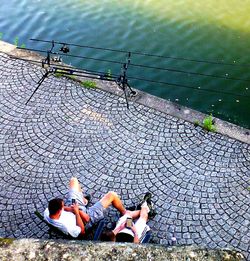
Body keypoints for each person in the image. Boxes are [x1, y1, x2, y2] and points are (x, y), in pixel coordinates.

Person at [44, 177, 126, 238]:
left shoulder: (48, 212)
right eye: (62, 206)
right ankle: (124, 212)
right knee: (112, 195)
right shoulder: (67, 227)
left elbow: (64, 208)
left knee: (73, 180)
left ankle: (84, 201)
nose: (63, 206)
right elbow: (83, 230)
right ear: (59, 211)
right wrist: (77, 212)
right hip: (83, 218)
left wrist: (70, 208)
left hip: (73, 208)